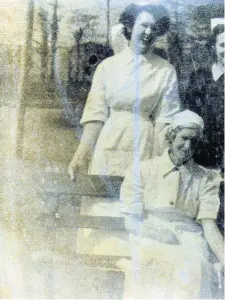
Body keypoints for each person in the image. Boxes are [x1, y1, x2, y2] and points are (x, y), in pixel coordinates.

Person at [119, 110, 224, 299]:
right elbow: (131, 222)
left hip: (190, 238)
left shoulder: (206, 178)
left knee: (195, 266)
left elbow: (209, 227)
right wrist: (160, 234)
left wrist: (224, 257)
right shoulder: (142, 170)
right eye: (183, 138)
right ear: (171, 135)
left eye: (194, 141)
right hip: (150, 233)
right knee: (152, 262)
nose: (187, 146)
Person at [68, 3, 180, 177]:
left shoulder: (166, 71)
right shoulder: (107, 67)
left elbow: (164, 123)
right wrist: (81, 155)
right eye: (144, 25)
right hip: (108, 143)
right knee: (104, 200)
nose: (149, 32)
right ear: (130, 26)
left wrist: (165, 164)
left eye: (154, 28)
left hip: (145, 147)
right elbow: (95, 117)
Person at [185, 20, 224, 171]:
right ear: (213, 47)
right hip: (203, 159)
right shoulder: (199, 78)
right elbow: (190, 117)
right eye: (223, 45)